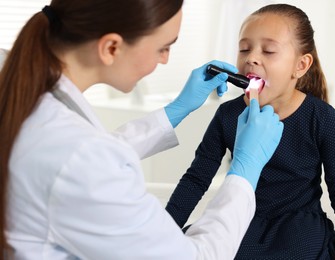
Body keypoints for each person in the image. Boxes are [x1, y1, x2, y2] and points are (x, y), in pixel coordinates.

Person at [0, 1, 285, 259]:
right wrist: (244, 171)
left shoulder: (33, 102)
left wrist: (175, 111)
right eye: (163, 47)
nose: (165, 60)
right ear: (111, 47)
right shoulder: (78, 157)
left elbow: (95, 156)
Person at [166, 4, 335, 260]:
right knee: (198, 245)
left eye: (268, 51)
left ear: (300, 66)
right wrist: (165, 230)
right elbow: (197, 178)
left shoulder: (322, 117)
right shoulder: (227, 115)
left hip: (298, 222)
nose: (251, 58)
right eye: (244, 49)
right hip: (243, 216)